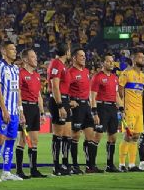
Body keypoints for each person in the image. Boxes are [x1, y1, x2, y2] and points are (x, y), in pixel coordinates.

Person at [0, 42, 25, 183]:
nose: (15, 51)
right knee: (0, 139)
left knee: (11, 140)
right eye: (11, 49)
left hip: (14, 111)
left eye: (15, 49)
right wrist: (4, 110)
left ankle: (6, 172)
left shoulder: (16, 68)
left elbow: (17, 91)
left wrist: (20, 110)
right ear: (3, 51)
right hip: (2, 109)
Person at [16, 49, 45, 178]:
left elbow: (39, 95)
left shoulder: (37, 75)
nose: (36, 59)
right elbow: (18, 93)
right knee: (22, 140)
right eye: (33, 57)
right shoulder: (21, 74)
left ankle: (34, 170)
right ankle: (19, 170)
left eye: (35, 56)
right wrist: (20, 111)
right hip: (25, 108)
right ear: (26, 60)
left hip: (34, 109)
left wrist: (42, 112)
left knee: (34, 141)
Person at [90, 54, 120, 173]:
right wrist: (94, 112)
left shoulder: (114, 78)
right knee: (97, 136)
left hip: (112, 108)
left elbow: (116, 95)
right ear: (103, 63)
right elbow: (92, 96)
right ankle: (91, 165)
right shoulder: (97, 77)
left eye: (112, 61)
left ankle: (110, 165)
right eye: (108, 61)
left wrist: (121, 108)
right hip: (102, 107)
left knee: (113, 137)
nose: (111, 63)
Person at [66, 48, 95, 174]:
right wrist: (69, 101)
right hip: (76, 106)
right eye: (81, 56)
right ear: (74, 58)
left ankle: (90, 166)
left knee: (90, 136)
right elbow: (64, 89)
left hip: (86, 106)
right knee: (76, 136)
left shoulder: (87, 71)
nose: (84, 58)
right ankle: (74, 165)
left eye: (84, 56)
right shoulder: (70, 72)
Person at [118, 51, 144, 172]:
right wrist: (122, 107)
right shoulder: (126, 73)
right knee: (128, 136)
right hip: (129, 110)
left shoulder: (143, 76)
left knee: (136, 136)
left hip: (139, 110)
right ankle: (122, 164)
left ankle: (132, 164)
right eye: (140, 57)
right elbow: (119, 90)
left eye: (143, 57)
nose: (143, 59)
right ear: (134, 59)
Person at [47, 45, 72, 176]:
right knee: (58, 134)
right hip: (59, 100)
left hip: (65, 99)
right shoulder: (56, 64)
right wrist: (60, 105)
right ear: (66, 52)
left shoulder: (62, 65)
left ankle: (65, 164)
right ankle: (56, 167)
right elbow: (55, 86)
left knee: (67, 134)